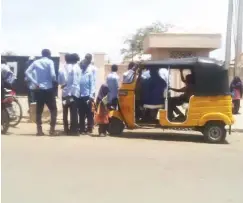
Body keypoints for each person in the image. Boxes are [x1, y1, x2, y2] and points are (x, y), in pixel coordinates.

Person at [25, 49, 57, 136]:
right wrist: (54, 81)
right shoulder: (50, 62)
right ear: (49, 54)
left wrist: (35, 82)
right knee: (53, 110)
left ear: (42, 54)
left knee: (39, 110)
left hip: (39, 89)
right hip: (49, 89)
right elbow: (53, 75)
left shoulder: (36, 62)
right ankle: (52, 130)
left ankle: (39, 130)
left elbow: (27, 72)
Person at [58, 53, 79, 135]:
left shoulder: (61, 69)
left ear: (65, 59)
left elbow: (59, 82)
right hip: (73, 94)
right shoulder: (74, 68)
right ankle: (74, 130)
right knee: (74, 112)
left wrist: (64, 85)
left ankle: (66, 129)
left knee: (65, 111)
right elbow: (75, 82)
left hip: (64, 94)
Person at [78, 59, 94, 134]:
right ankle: (82, 129)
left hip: (87, 96)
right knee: (81, 113)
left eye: (82, 64)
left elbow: (92, 85)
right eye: (80, 65)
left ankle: (89, 129)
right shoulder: (80, 72)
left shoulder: (89, 73)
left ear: (86, 65)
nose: (81, 66)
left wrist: (91, 96)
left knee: (89, 114)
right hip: (80, 96)